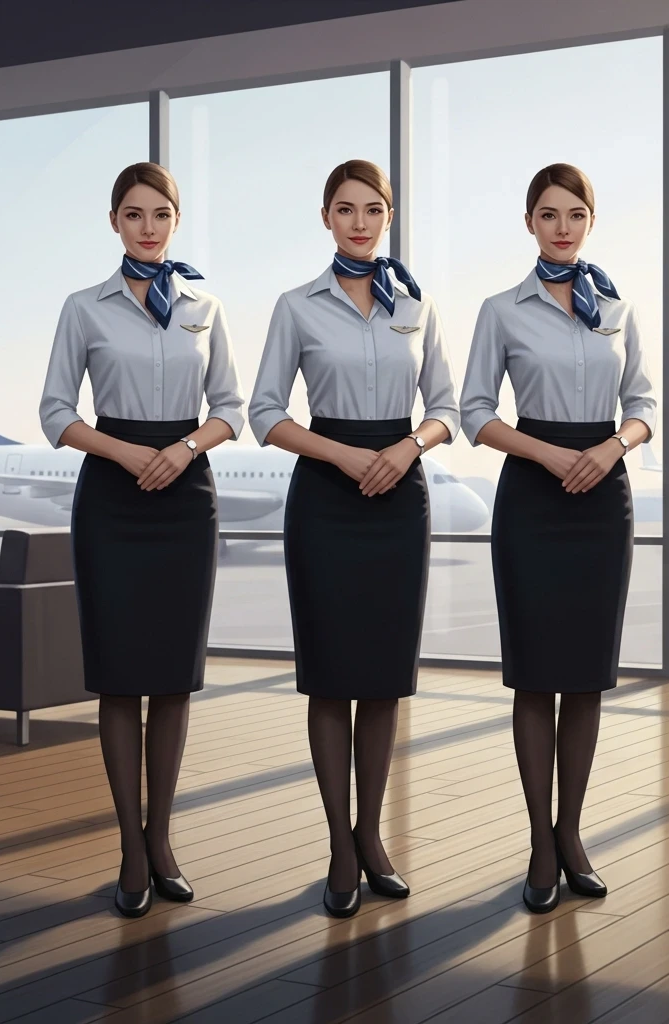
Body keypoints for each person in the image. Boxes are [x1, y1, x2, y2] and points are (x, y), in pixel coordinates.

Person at [249, 159, 459, 917]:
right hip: (327, 497)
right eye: (346, 209)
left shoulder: (418, 306)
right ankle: (340, 843)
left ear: (389, 216)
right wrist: (343, 456)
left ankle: (373, 836)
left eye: (374, 209)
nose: (361, 222)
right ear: (326, 217)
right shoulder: (296, 306)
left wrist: (407, 450)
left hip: (399, 495)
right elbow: (265, 413)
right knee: (332, 676)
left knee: (383, 678)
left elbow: (446, 406)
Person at [39, 162, 244, 918]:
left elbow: (230, 407)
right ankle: (130, 847)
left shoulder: (205, 307)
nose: (148, 227)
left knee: (174, 677)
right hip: (113, 496)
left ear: (176, 221)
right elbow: (56, 412)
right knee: (121, 677)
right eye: (134, 214)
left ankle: (163, 839)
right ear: (115, 222)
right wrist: (128, 454)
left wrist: (182, 450)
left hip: (186, 496)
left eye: (161, 214)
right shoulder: (83, 308)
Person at [460, 163, 656, 914]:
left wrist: (611, 449)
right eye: (549, 214)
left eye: (575, 214)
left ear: (590, 222)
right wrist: (547, 454)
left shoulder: (618, 308)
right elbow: (477, 412)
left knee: (586, 675)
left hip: (603, 497)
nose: (563, 226)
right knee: (536, 674)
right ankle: (540, 846)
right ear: (530, 223)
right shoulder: (501, 310)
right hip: (533, 496)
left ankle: (571, 834)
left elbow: (641, 402)